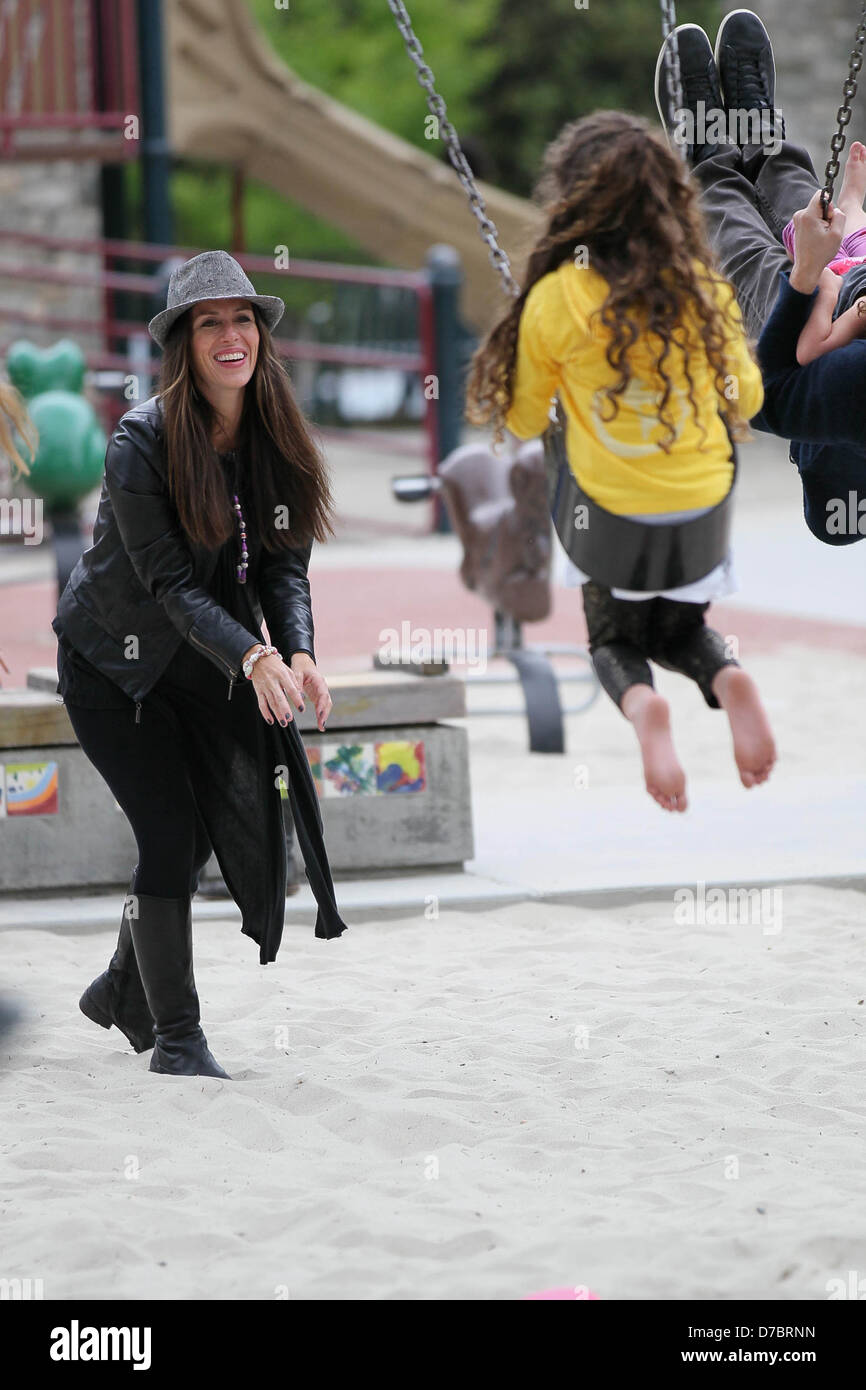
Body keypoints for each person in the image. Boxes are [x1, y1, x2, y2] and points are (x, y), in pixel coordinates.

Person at [53, 251, 349, 1080]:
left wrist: (298, 652)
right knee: (169, 831)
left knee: (193, 845)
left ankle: (122, 989)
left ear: (261, 334)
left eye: (243, 318)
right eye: (210, 321)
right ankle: (178, 1041)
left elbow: (285, 567)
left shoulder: (278, 433)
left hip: (205, 663)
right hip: (115, 666)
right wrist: (252, 654)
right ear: (183, 342)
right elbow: (170, 586)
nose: (230, 334)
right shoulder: (139, 440)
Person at [464, 110, 776, 813]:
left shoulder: (555, 297)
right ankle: (726, 679)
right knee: (683, 629)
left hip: (608, 519)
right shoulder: (703, 288)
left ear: (572, 201)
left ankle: (644, 709)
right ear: (671, 201)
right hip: (704, 511)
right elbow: (747, 398)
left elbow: (518, 418)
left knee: (613, 637)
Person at [656, 9, 865, 545]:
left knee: (753, 258)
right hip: (849, 289)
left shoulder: (846, 388)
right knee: (813, 217)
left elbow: (767, 386)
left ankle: (707, 157)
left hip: (816, 371)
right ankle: (760, 133)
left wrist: (805, 281)